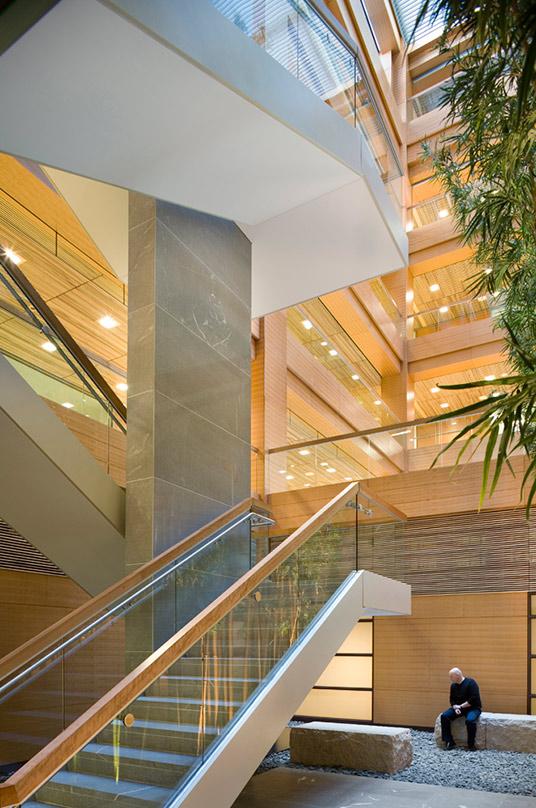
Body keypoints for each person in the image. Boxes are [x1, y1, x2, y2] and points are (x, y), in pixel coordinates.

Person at [440, 667, 482, 751]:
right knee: (444, 716)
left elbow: (473, 699)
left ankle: (471, 745)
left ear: (457, 675)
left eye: (451, 677)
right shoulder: (453, 686)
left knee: (470, 721)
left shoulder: (471, 683)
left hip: (473, 708)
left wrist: (461, 706)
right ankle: (450, 742)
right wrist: (455, 706)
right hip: (459, 708)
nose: (450, 679)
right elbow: (452, 700)